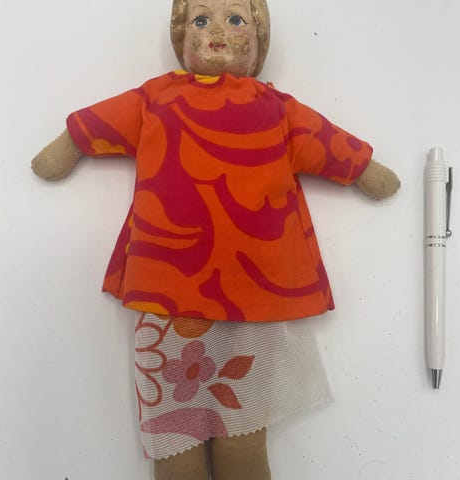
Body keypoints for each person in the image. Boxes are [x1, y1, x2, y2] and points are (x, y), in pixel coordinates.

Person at [31, 1, 399, 478]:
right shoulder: (155, 98)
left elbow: (325, 141)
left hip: (255, 292)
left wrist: (366, 169)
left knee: (243, 436)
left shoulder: (278, 110)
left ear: (259, 43)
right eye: (201, 20)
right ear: (181, 37)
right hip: (169, 289)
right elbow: (98, 123)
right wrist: (64, 149)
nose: (217, 30)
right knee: (174, 438)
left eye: (236, 19)